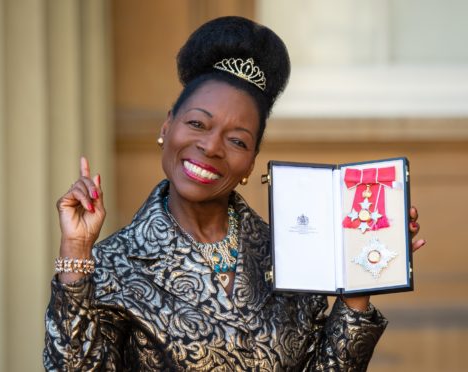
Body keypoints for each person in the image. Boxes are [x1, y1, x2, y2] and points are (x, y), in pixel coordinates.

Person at [43, 16, 425, 371]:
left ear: (251, 162)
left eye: (237, 140)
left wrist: (359, 278)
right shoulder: (113, 264)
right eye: (197, 123)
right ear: (167, 125)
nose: (211, 147)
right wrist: (76, 251)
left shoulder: (293, 255)